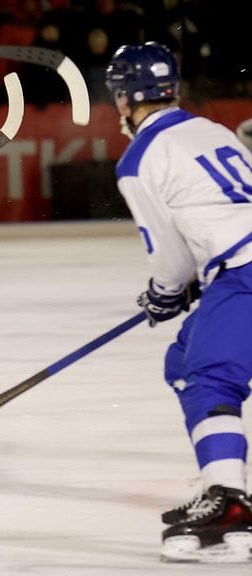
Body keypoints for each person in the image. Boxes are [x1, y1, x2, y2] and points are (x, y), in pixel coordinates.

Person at [105, 42, 252, 563]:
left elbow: (169, 261)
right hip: (237, 266)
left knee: (207, 375)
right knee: (187, 360)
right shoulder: (212, 129)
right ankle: (223, 484)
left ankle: (228, 500)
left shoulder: (139, 159)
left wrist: (165, 295)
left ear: (124, 99)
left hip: (244, 272)